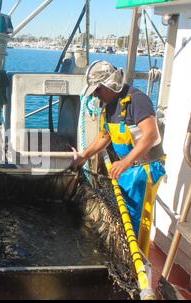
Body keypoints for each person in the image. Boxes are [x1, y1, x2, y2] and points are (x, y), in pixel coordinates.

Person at [73, 60, 166, 257]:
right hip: (128, 170)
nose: (96, 95)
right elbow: (104, 136)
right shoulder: (108, 106)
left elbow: (151, 135)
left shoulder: (136, 100)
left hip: (145, 169)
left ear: (110, 84)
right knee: (124, 216)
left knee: (137, 221)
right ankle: (126, 256)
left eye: (98, 90)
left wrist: (126, 162)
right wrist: (83, 156)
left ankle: (138, 264)